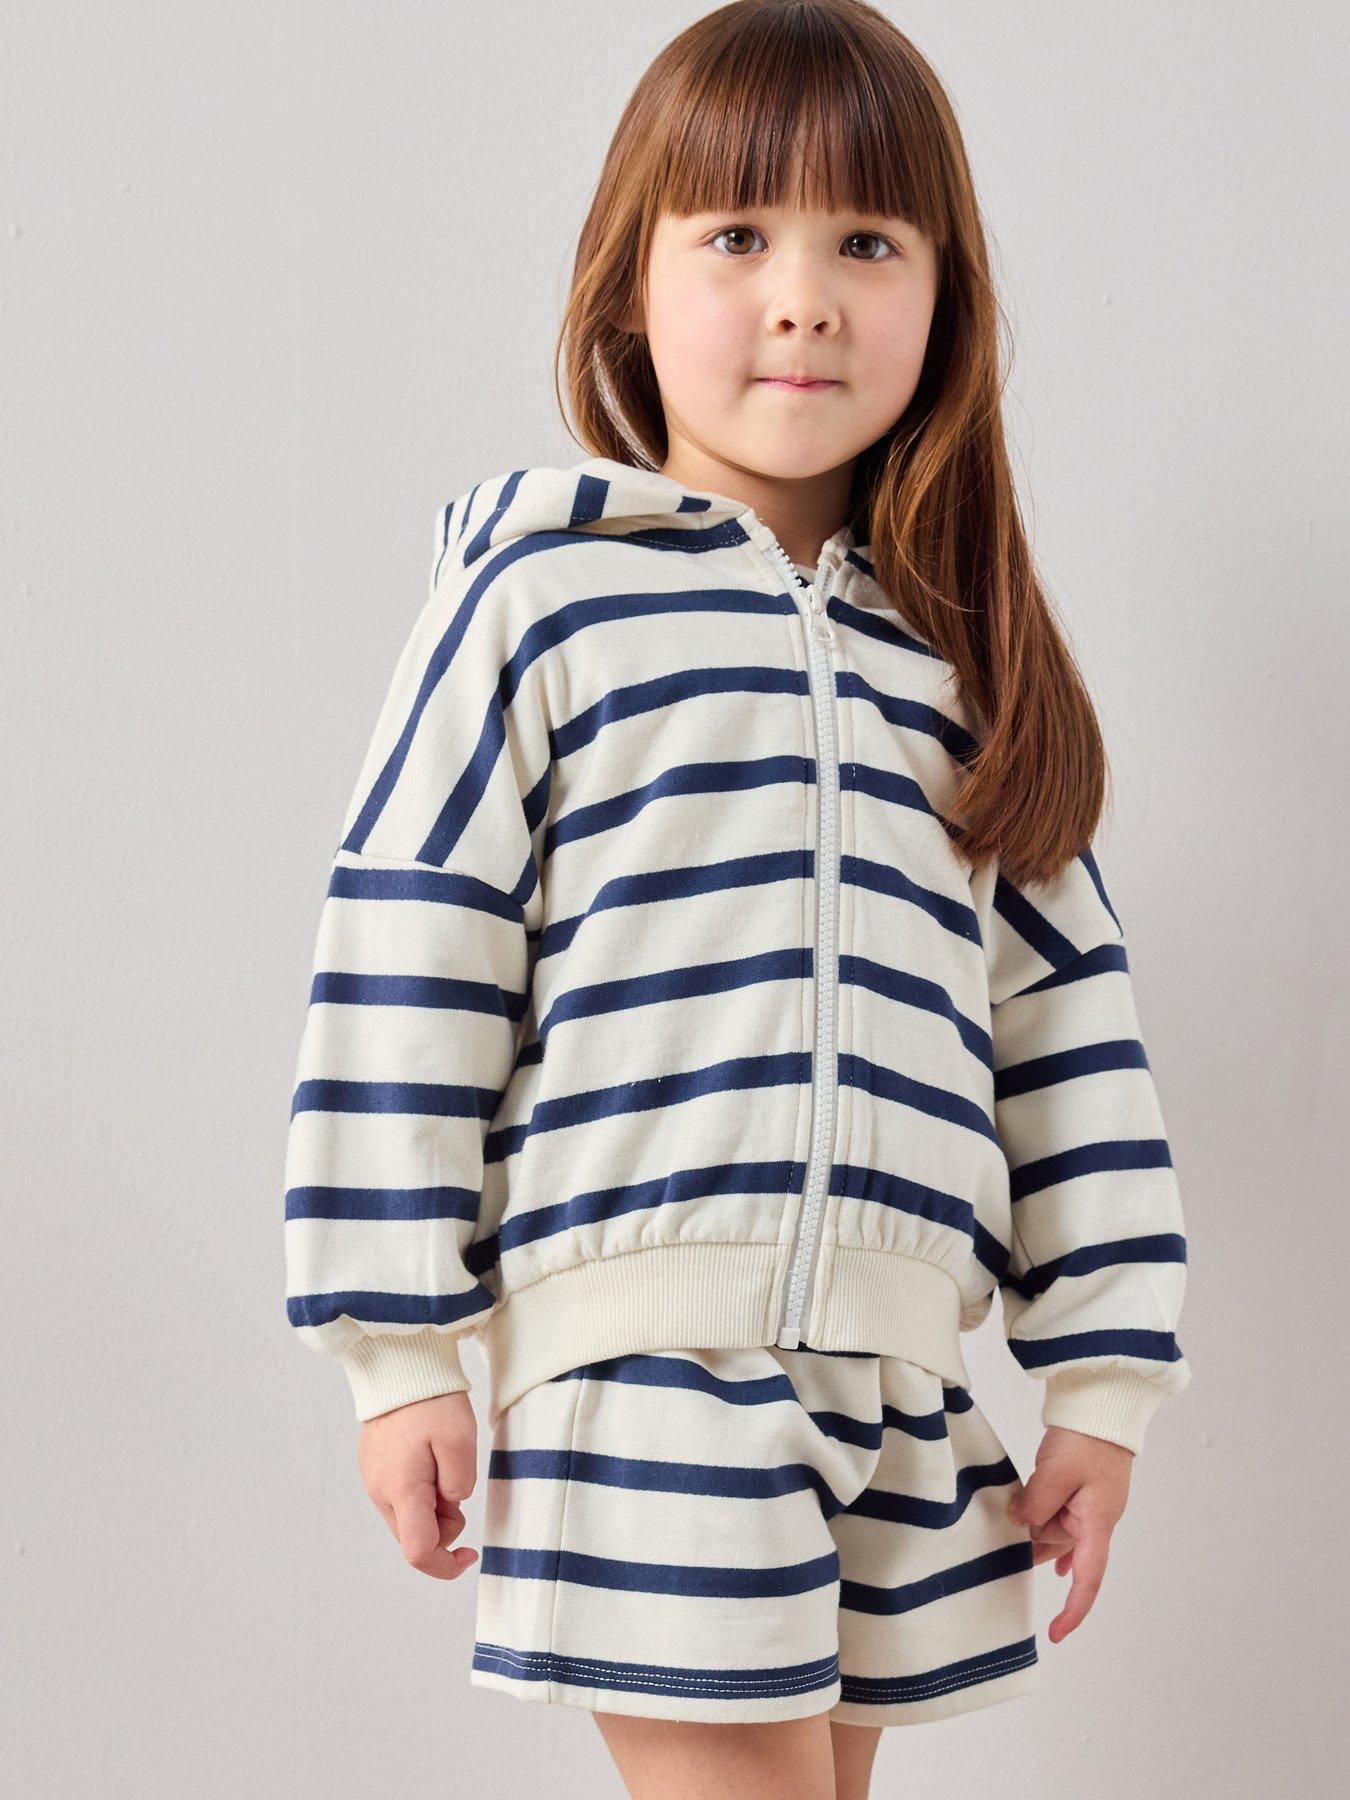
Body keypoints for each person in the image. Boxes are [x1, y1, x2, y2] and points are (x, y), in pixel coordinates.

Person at [282, 2, 1192, 1792]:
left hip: (896, 1390)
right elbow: (410, 957)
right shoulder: (541, 608)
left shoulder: (960, 670)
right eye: (735, 236)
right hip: (646, 1369)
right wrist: (398, 1351)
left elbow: (1063, 1039)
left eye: (867, 241)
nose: (803, 299)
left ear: (944, 298)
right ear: (629, 286)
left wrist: (1102, 1385)